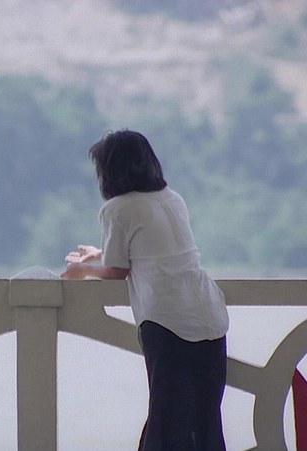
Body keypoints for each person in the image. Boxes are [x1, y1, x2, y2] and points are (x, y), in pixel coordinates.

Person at [61, 130, 229, 450]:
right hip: (209, 314)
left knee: (166, 421)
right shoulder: (172, 199)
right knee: (205, 421)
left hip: (167, 321)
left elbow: (117, 271)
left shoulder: (117, 209)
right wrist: (100, 253)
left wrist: (83, 270)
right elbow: (156, 249)